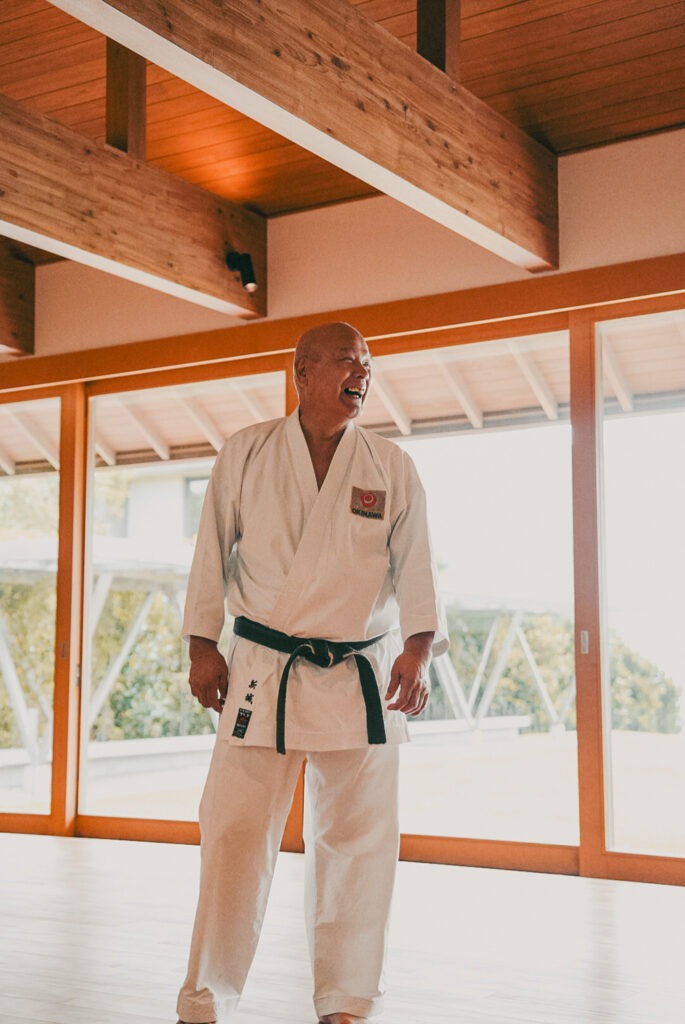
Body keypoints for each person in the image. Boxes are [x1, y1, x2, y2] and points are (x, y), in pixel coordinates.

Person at [176, 321, 447, 1024]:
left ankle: (346, 1001)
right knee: (233, 834)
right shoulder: (247, 452)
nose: (363, 373)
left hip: (361, 677)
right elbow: (210, 549)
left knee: (358, 844)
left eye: (368, 363)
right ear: (302, 371)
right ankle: (205, 997)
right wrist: (201, 642)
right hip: (262, 668)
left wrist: (417, 650)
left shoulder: (389, 466)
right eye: (350, 362)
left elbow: (416, 565)